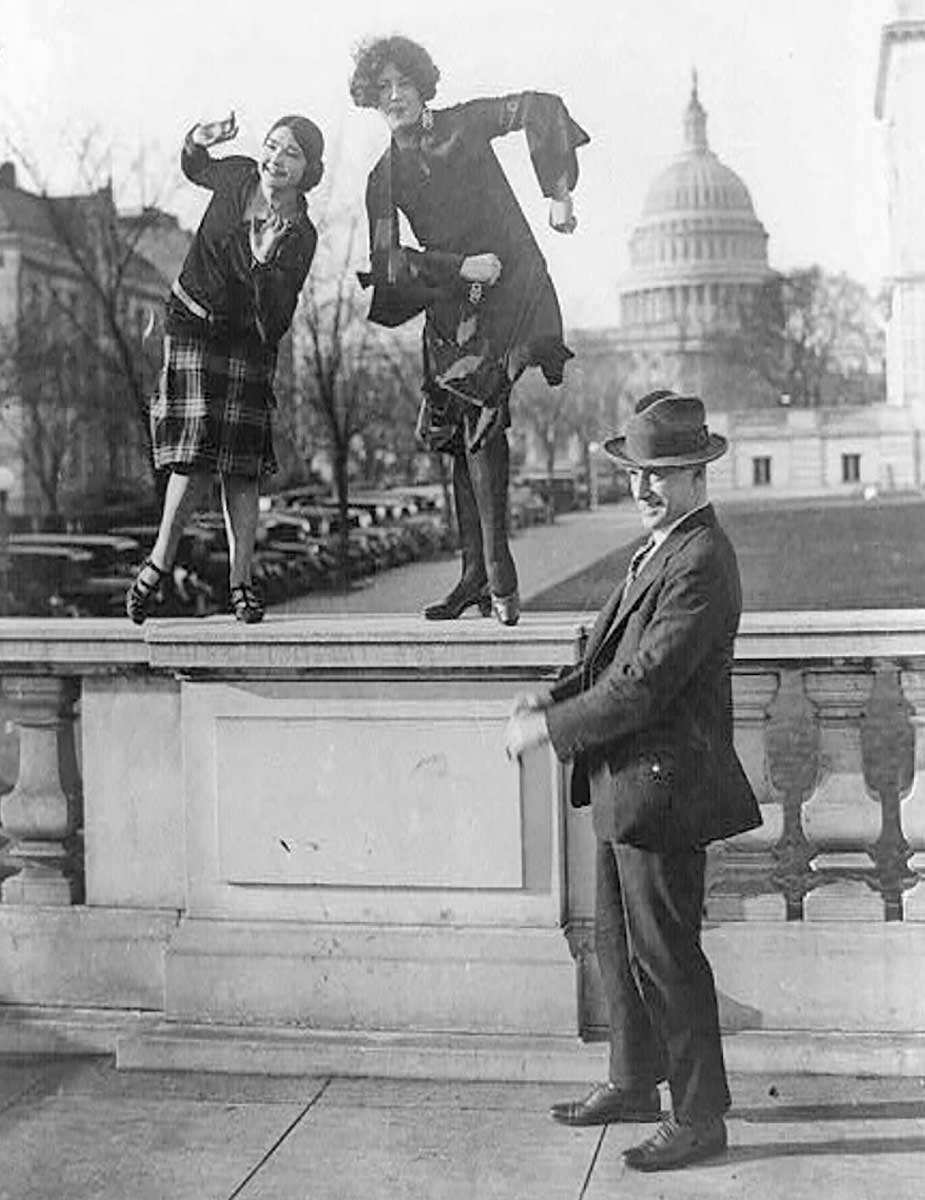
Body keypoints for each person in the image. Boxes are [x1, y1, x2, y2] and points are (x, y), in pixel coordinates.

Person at [504, 390, 761, 1172]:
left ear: (696, 475)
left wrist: (549, 728)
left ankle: (699, 1116)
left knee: (664, 953)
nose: (642, 489)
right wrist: (553, 692)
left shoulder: (702, 560)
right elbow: (606, 655)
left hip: (665, 788)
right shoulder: (660, 549)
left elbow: (644, 684)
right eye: (635, 475)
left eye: (660, 474)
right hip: (629, 782)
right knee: (615, 945)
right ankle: (633, 1080)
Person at [350, 35, 589, 626]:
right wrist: (457, 268)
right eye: (383, 89)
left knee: (480, 411)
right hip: (454, 296)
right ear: (370, 100)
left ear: (421, 83)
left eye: (404, 83)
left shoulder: (464, 123)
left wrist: (557, 192)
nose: (395, 96)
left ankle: (498, 565)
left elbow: (538, 105)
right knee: (459, 431)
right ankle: (474, 576)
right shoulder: (384, 176)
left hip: (510, 280)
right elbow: (387, 265)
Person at [125, 111, 324, 625]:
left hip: (249, 342)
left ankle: (240, 584)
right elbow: (195, 168)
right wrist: (196, 138)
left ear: (309, 170)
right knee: (192, 454)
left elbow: (277, 316)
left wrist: (262, 261)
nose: (276, 159)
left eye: (292, 153)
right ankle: (157, 565)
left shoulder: (300, 235)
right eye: (273, 146)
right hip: (192, 321)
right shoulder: (237, 174)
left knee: (241, 467)